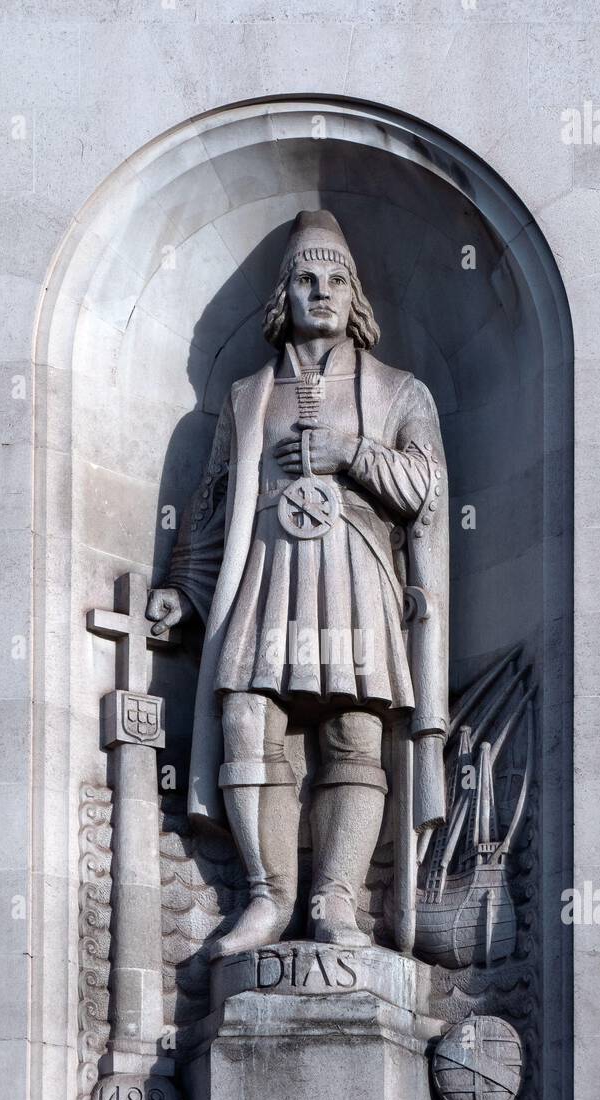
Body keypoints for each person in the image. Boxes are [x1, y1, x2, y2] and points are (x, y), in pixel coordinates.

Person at [148, 210, 448, 957]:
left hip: (355, 570)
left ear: (356, 297)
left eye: (336, 279)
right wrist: (185, 586)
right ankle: (268, 898)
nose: (322, 291)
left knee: (355, 729)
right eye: (306, 278)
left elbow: (425, 491)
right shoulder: (250, 395)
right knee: (249, 716)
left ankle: (337, 899)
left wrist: (350, 452)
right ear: (286, 294)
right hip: (269, 574)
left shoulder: (398, 391)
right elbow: (215, 502)